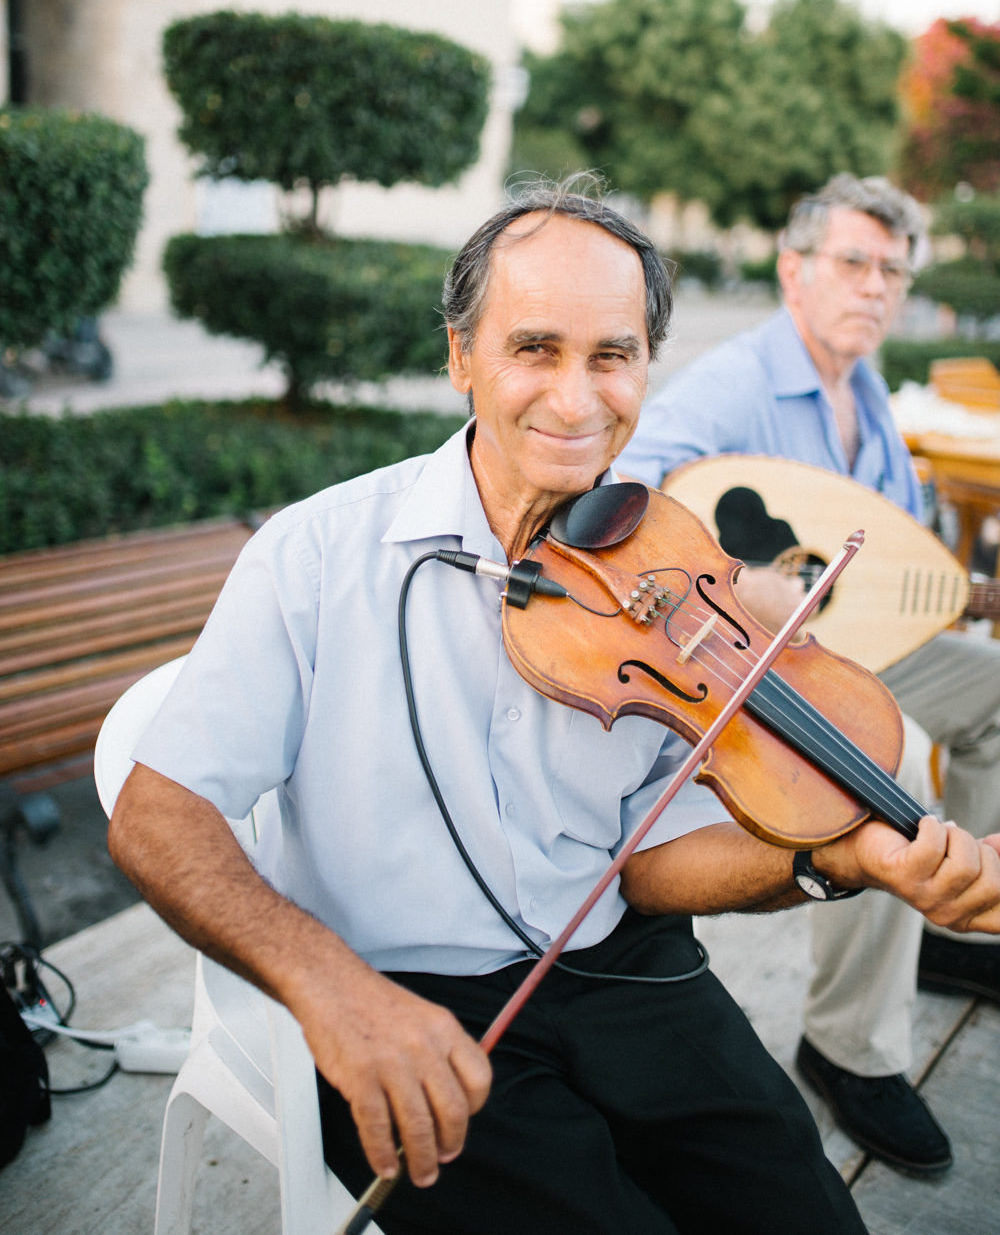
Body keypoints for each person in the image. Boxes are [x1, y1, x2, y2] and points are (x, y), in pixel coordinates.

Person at [109, 185, 1000, 1235]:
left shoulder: (665, 568)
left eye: (611, 356)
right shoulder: (314, 556)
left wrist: (840, 858)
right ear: (461, 357)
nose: (577, 401)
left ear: (645, 368)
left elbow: (649, 861)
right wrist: (333, 991)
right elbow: (156, 816)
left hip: (626, 970)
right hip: (402, 997)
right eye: (535, 348)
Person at [617, 172, 1000, 1177]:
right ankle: (846, 1046)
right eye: (852, 262)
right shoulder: (737, 378)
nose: (874, 287)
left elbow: (887, 558)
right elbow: (633, 498)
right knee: (898, 757)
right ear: (794, 270)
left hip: (857, 650)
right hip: (757, 679)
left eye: (891, 270)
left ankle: (949, 919)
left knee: (995, 689)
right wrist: (745, 587)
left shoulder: (864, 387)